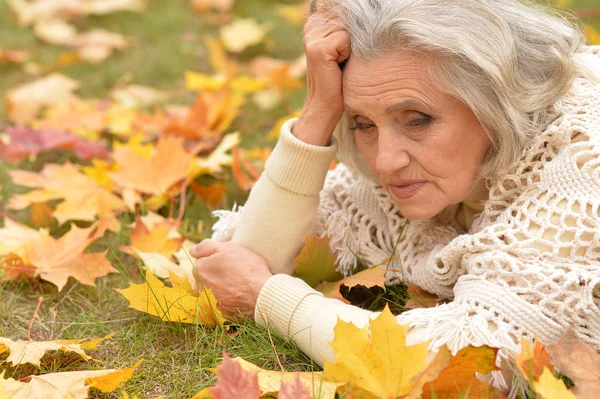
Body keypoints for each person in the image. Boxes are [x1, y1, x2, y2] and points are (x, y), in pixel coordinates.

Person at [190, 0, 600, 393]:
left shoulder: (580, 155)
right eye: (362, 123)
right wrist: (318, 110)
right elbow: (233, 260)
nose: (386, 161)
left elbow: (470, 358)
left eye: (417, 120)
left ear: (496, 101)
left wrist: (270, 299)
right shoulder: (420, 173)